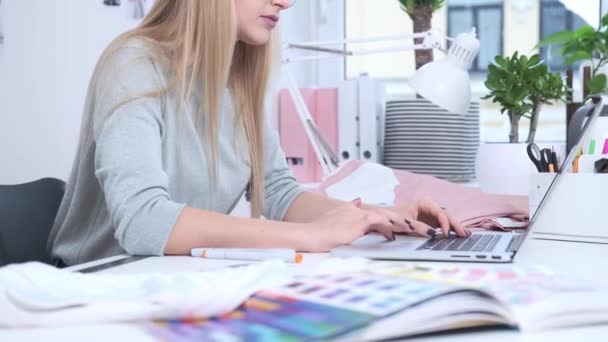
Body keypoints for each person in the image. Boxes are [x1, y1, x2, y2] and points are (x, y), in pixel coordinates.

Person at [48, 0, 469, 266]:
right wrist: (309, 237)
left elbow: (279, 192)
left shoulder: (236, 82)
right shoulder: (134, 64)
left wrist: (373, 215)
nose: (285, 3)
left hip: (172, 281)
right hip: (95, 287)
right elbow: (142, 221)